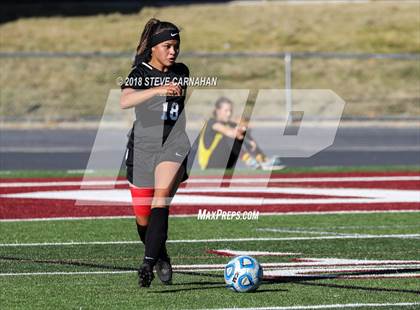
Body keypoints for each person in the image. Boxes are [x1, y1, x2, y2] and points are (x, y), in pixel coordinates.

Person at [120, 18, 190, 288]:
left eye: (176, 46)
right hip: (142, 148)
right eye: (168, 46)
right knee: (142, 217)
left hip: (173, 145)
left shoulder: (182, 71)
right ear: (153, 48)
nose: (173, 51)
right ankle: (160, 253)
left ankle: (148, 262)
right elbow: (125, 100)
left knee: (161, 199)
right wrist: (158, 90)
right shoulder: (139, 72)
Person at [196, 97, 284, 170]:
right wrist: (243, 135)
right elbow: (229, 132)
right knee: (232, 134)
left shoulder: (230, 124)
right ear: (218, 110)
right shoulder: (212, 122)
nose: (229, 113)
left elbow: (244, 130)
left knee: (242, 132)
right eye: (226, 111)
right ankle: (249, 161)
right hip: (209, 164)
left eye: (230, 111)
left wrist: (248, 138)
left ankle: (263, 159)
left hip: (224, 163)